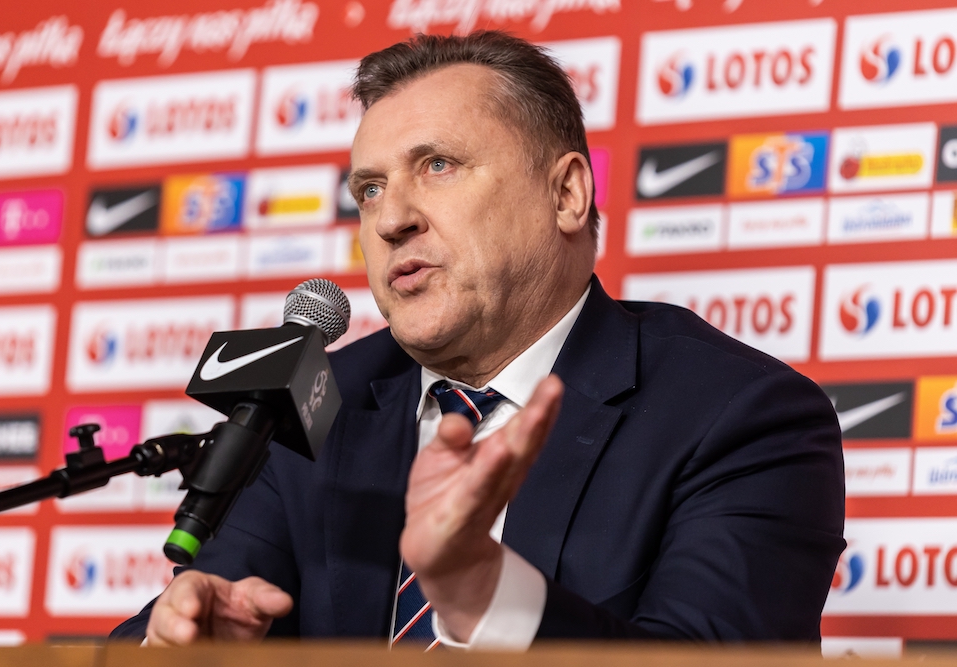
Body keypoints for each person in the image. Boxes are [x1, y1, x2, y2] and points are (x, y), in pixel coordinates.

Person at [112, 31, 844, 648]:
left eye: (438, 165)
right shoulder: (319, 406)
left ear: (566, 194)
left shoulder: (741, 415)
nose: (391, 217)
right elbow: (179, 624)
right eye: (368, 189)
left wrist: (484, 592)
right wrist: (181, 644)